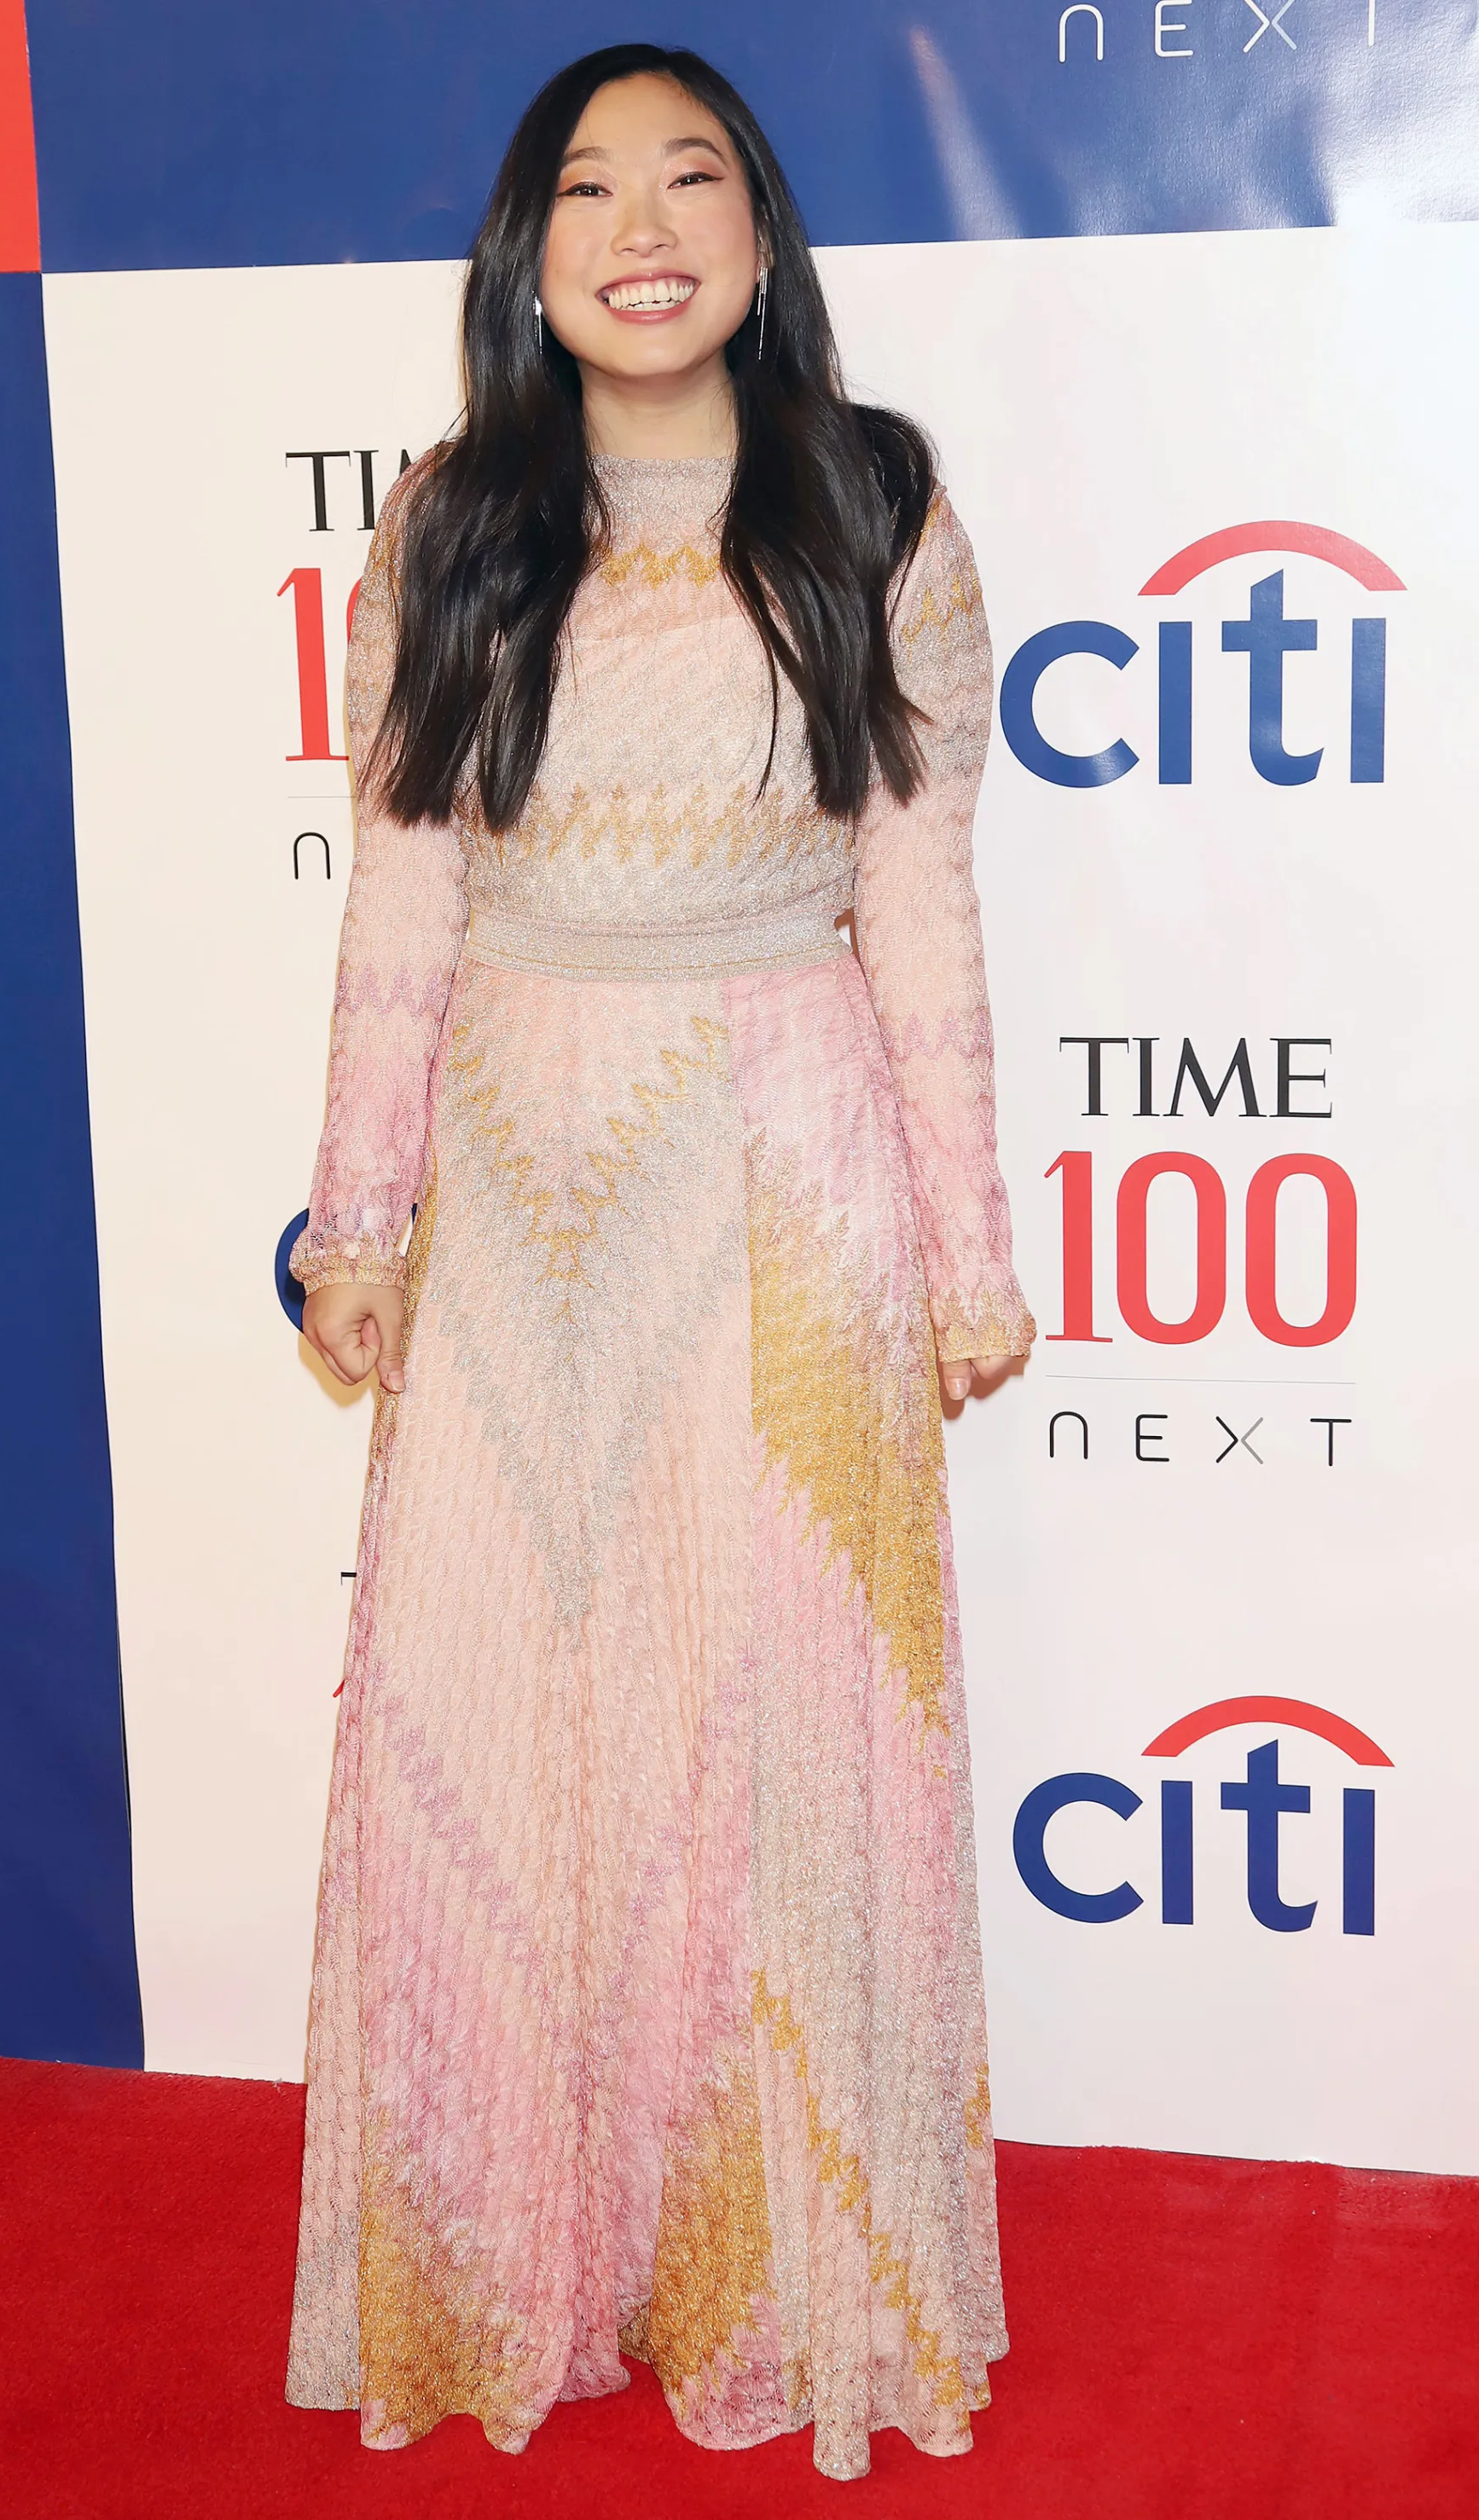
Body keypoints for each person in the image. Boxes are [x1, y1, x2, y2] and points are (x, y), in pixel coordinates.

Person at [285, 43, 1034, 2482]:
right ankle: (529, 2260)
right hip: (517, 1184)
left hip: (787, 1173)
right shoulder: (454, 525)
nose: (643, 225)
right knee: (511, 1745)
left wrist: (970, 1249)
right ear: (529, 259)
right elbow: (404, 904)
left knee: (788, 1751)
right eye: (588, 188)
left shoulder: (872, 499)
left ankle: (791, 2274)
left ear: (761, 232)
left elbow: (921, 908)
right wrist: (360, 1217)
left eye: (691, 177)